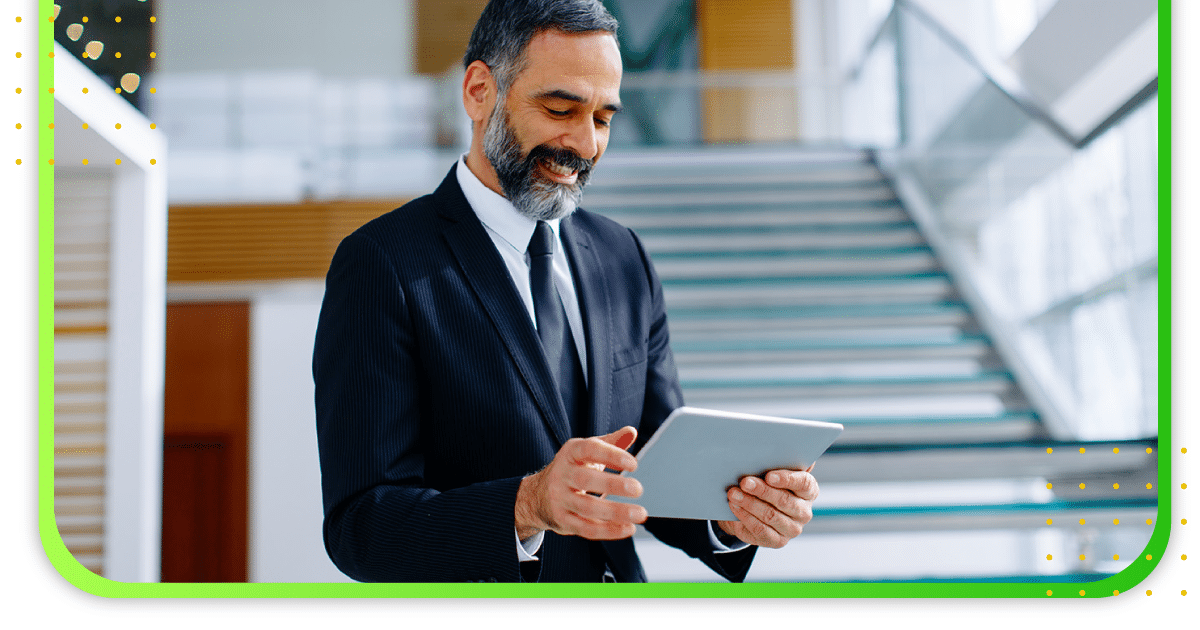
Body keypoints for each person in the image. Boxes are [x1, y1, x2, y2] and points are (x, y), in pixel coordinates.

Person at [313, 0, 819, 583]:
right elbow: (361, 527)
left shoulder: (622, 256)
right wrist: (527, 505)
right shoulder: (383, 263)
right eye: (560, 108)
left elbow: (652, 467)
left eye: (603, 118)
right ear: (479, 92)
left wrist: (735, 515)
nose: (585, 144)